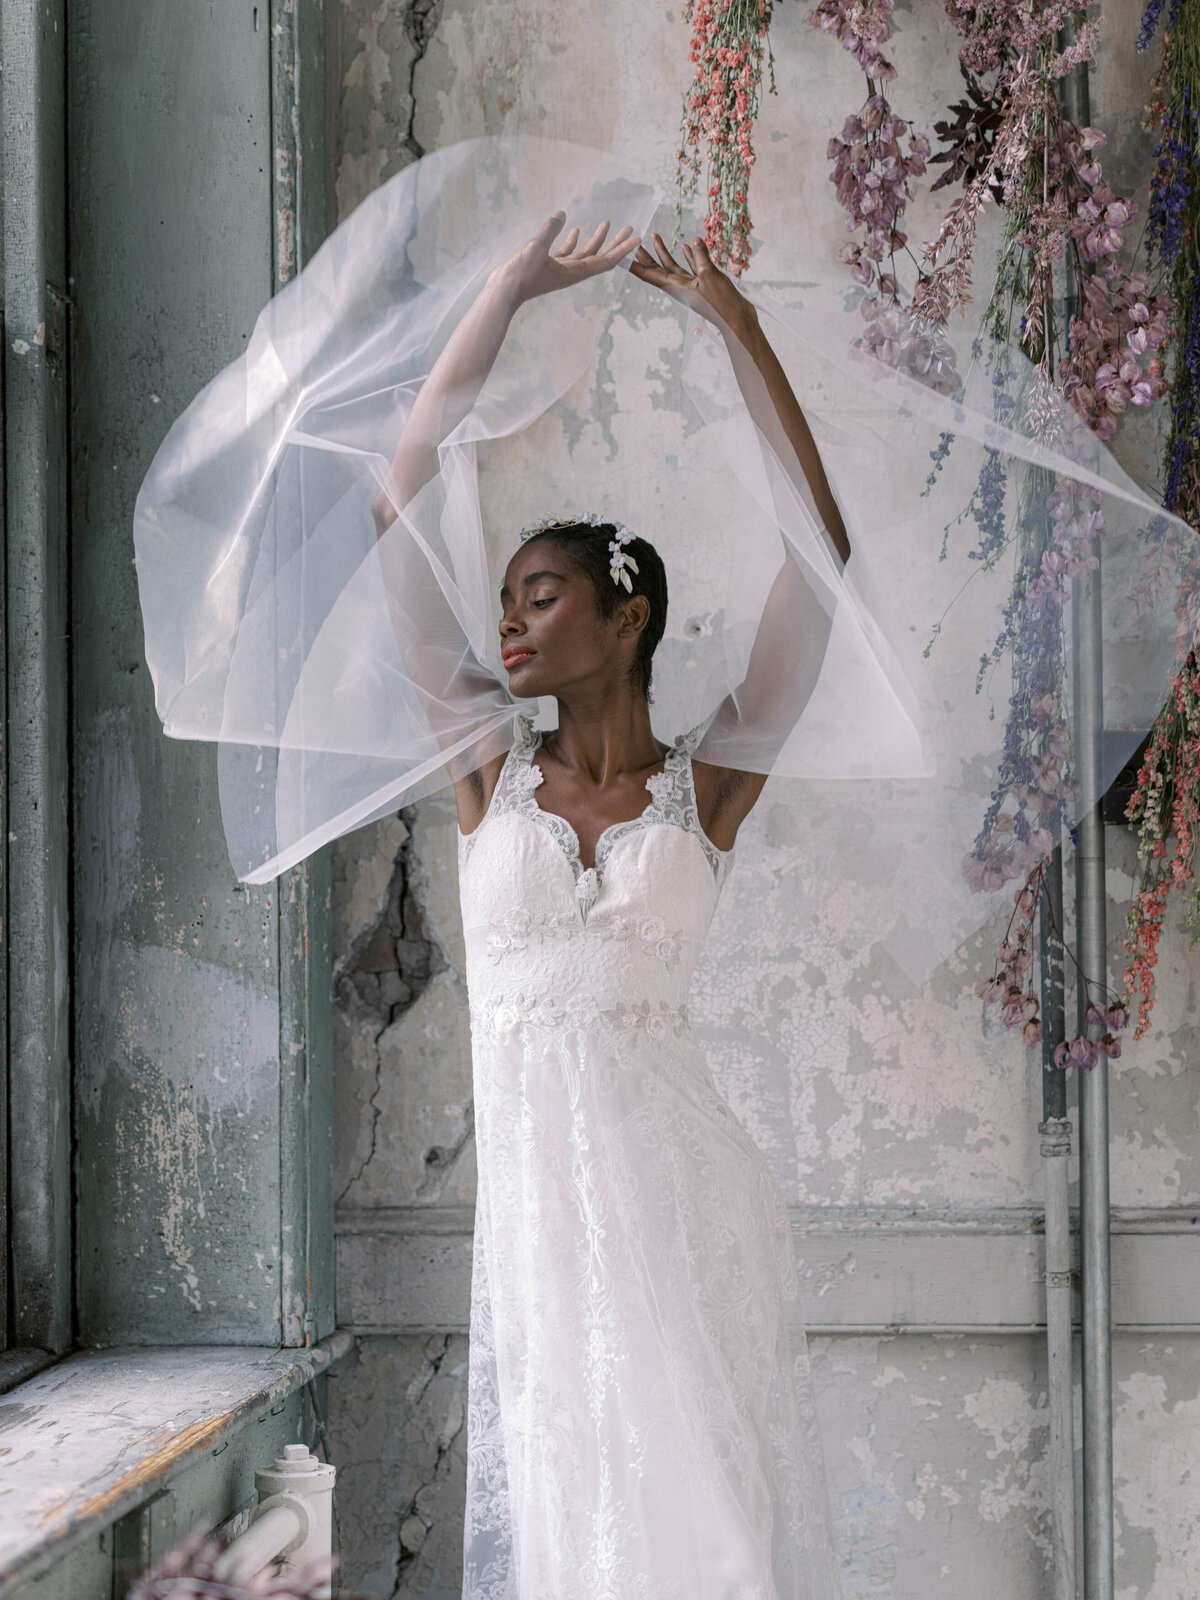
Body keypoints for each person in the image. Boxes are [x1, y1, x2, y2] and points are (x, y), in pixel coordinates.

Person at [370, 214, 848, 1599]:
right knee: (582, 1550)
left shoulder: (707, 794)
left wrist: (737, 329)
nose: (508, 627)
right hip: (542, 1245)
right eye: (506, 602)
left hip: (687, 1220)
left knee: (715, 1548)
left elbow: (822, 557)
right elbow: (394, 508)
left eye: (542, 596)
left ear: (625, 615)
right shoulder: (484, 774)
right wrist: (506, 288)